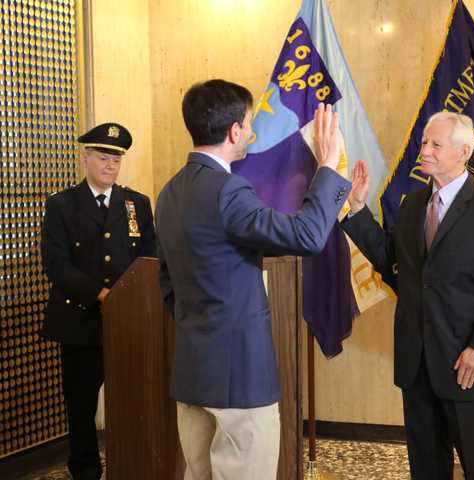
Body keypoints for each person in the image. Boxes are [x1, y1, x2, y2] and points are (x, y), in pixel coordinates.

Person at [155, 79, 350, 480]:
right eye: (248, 124)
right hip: (240, 378)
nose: (251, 131)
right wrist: (328, 167)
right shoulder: (228, 190)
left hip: (193, 372)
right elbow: (307, 236)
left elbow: (168, 283)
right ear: (233, 132)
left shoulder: (169, 192)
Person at [341, 111, 474, 479]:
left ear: (464, 152)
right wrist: (359, 208)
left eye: (435, 144)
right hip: (416, 359)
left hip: (465, 362)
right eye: (424, 142)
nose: (424, 150)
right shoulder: (411, 205)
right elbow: (391, 263)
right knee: (425, 463)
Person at [40, 123, 156, 480]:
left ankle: (131, 463)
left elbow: (148, 258)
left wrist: (133, 300)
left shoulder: (136, 203)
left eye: (116, 158)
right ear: (85, 157)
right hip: (80, 321)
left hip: (127, 323)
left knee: (131, 400)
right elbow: (56, 265)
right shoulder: (62, 205)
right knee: (81, 406)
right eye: (103, 157)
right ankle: (86, 470)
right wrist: (103, 294)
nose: (110, 165)